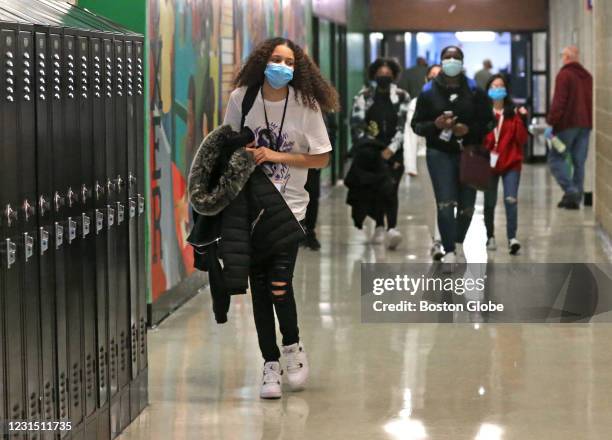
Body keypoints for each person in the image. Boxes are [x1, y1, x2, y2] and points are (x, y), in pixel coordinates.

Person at [223, 37, 338, 399]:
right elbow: (225, 145)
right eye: (276, 59)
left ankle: (292, 346)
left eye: (289, 61)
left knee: (279, 283)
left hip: (290, 207)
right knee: (259, 288)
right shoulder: (242, 98)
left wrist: (276, 156)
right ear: (262, 61)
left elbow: (321, 158)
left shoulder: (305, 104)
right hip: (250, 208)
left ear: (297, 67)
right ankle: (269, 363)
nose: (282, 67)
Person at [411, 46, 494, 264]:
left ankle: (458, 243)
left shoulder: (475, 91)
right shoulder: (429, 92)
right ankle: (449, 250)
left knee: (468, 205)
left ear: (462, 62)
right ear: (441, 61)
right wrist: (435, 125)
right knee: (445, 203)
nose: (451, 61)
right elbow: (416, 125)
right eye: (447, 57)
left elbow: (489, 122)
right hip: (439, 153)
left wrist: (469, 130)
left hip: (471, 153)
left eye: (456, 57)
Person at [351, 58, 410, 250]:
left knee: (391, 188)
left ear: (393, 75)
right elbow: (357, 124)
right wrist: (375, 147)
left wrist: (392, 148)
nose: (384, 77)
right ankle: (379, 225)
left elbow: (404, 125)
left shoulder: (402, 96)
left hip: (395, 151)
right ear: (374, 75)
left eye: (388, 74)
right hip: (371, 152)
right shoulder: (364, 96)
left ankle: (392, 228)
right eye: (380, 74)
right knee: (376, 189)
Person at [483, 74, 529, 255]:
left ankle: (512, 238)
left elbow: (522, 139)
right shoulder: (483, 113)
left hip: (511, 162)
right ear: (488, 90)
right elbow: (479, 138)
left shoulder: (514, 114)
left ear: (506, 90)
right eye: (493, 86)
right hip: (488, 164)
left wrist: (523, 121)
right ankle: (490, 236)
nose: (497, 89)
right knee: (489, 203)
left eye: (500, 86)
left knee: (511, 200)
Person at [404, 64, 445, 260]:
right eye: (432, 75)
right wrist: (410, 165)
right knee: (432, 201)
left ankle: (447, 239)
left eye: (440, 75)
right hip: (424, 156)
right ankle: (436, 239)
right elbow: (410, 135)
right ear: (426, 79)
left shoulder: (452, 100)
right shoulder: (416, 102)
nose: (436, 79)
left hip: (448, 156)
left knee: (447, 200)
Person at [546, 45, 593, 210]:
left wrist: (551, 121)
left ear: (566, 57)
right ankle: (575, 198)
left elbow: (559, 102)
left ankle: (571, 191)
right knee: (579, 162)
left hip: (567, 125)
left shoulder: (564, 75)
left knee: (555, 160)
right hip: (585, 124)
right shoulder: (587, 76)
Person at [302, 112, 337, 251]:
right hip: (295, 157)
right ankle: (298, 231)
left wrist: (327, 154)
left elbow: (332, 130)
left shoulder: (323, 108)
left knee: (312, 195)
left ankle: (309, 232)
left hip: (314, 159)